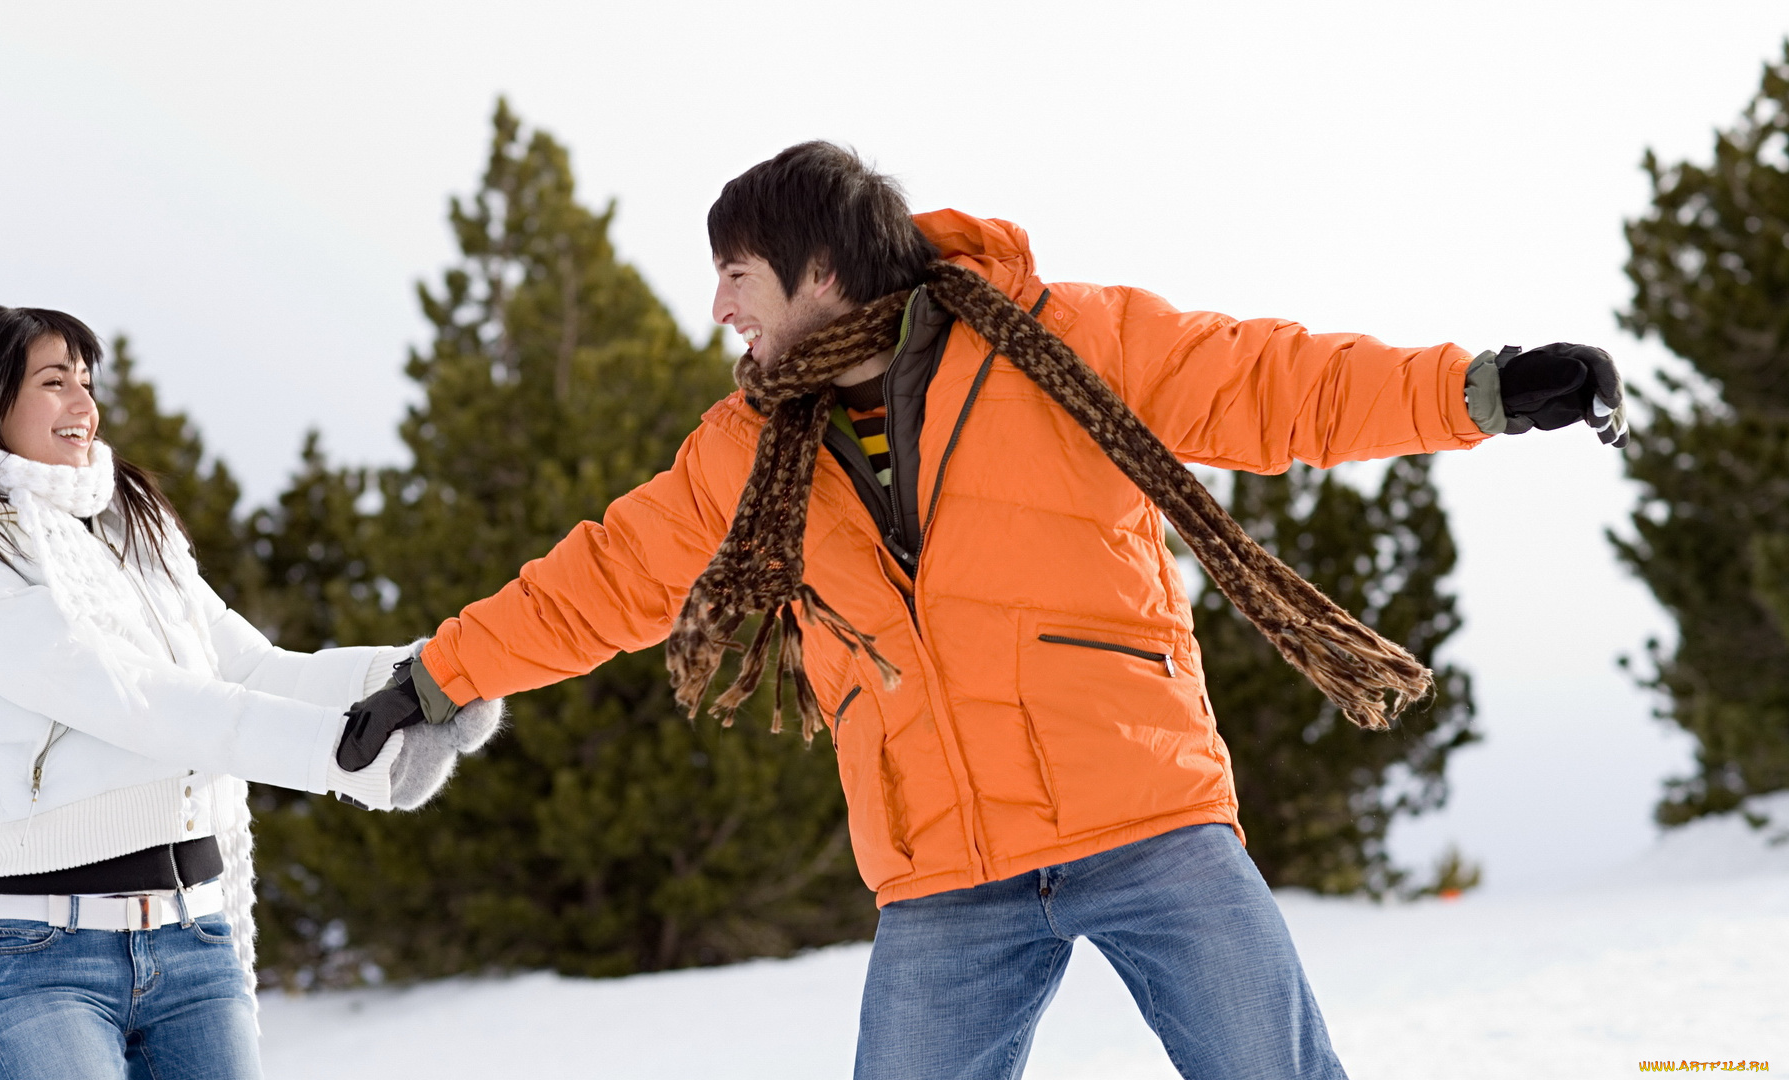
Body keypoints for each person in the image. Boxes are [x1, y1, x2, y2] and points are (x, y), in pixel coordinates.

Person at [347, 142, 1627, 1079]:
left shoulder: (1060, 342)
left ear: (822, 266)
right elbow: (610, 575)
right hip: (944, 871)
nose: (721, 309)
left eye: (737, 275)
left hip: (1145, 819)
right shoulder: (745, 449)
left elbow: (1273, 385)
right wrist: (439, 677)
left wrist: (1482, 389)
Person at [0, 307, 500, 1080]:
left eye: (88, 383)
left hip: (193, 942)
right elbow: (130, 696)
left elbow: (246, 667)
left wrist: (420, 678)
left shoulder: (126, 520)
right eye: (54, 382)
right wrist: (343, 755)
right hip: (46, 960)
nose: (83, 405)